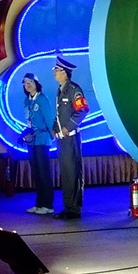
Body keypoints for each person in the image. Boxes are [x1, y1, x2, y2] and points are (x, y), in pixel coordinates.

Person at [52, 57, 89, 220]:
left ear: (65, 73)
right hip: (62, 140)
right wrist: (55, 129)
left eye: (57, 70)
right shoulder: (60, 90)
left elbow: (83, 109)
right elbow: (60, 114)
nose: (54, 73)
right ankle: (68, 207)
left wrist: (68, 128)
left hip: (71, 138)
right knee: (66, 174)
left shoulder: (74, 89)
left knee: (73, 173)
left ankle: (74, 209)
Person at [22, 72, 56, 215]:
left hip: (42, 139)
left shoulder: (42, 99)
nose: (28, 85)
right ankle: (39, 203)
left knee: (43, 172)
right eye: (25, 83)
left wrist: (53, 135)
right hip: (32, 141)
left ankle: (47, 205)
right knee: (36, 172)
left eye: (30, 82)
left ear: (36, 83)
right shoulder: (27, 100)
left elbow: (49, 118)